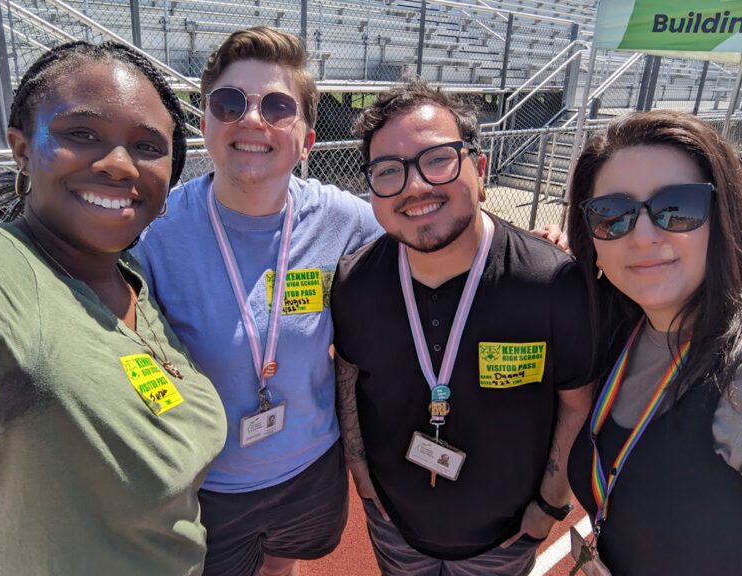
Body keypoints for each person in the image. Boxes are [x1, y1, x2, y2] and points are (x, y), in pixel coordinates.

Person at [134, 27, 382, 576]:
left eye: (276, 106)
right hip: (208, 481)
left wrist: (532, 244)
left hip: (311, 466)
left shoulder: (344, 219)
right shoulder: (155, 229)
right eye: (229, 103)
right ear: (204, 125)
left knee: (282, 567)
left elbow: (432, 239)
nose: (251, 120)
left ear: (307, 138)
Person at [0, 41, 227, 575]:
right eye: (81, 134)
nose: (117, 165)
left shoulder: (130, 281)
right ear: (21, 150)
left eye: (146, 146)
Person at [331, 78, 594, 575]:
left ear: (478, 167)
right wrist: (362, 476)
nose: (415, 186)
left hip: (506, 536)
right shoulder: (355, 281)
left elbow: (575, 402)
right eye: (388, 170)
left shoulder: (551, 281)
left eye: (437, 160)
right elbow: (348, 377)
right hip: (395, 527)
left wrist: (549, 506)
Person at [566, 110, 742, 575]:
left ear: (724, 212)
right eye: (611, 215)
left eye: (678, 207)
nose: (643, 236)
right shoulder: (617, 330)